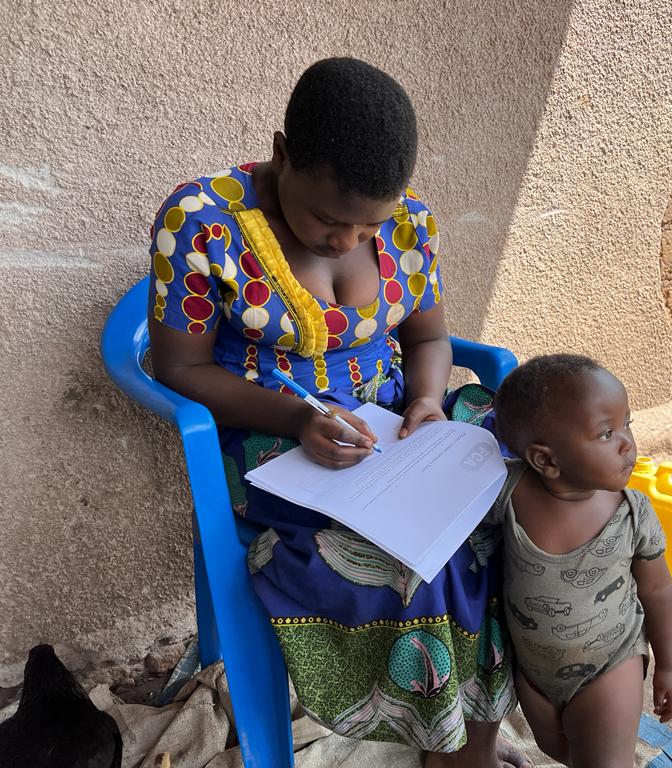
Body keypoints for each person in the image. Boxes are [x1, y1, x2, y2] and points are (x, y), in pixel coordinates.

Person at [147, 57, 525, 768]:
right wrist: (296, 420)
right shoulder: (202, 222)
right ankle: (444, 740)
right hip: (271, 443)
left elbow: (428, 336)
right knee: (410, 559)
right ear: (282, 154)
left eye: (367, 225)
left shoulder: (409, 223)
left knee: (523, 503)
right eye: (327, 217)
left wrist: (422, 400)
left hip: (397, 425)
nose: (347, 241)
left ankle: (477, 720)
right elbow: (179, 368)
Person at [489, 354, 672, 767]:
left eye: (627, 424)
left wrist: (669, 666)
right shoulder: (508, 494)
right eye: (606, 433)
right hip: (534, 674)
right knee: (559, 750)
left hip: (610, 665)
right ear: (545, 460)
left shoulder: (632, 513)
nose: (627, 443)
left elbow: (658, 589)